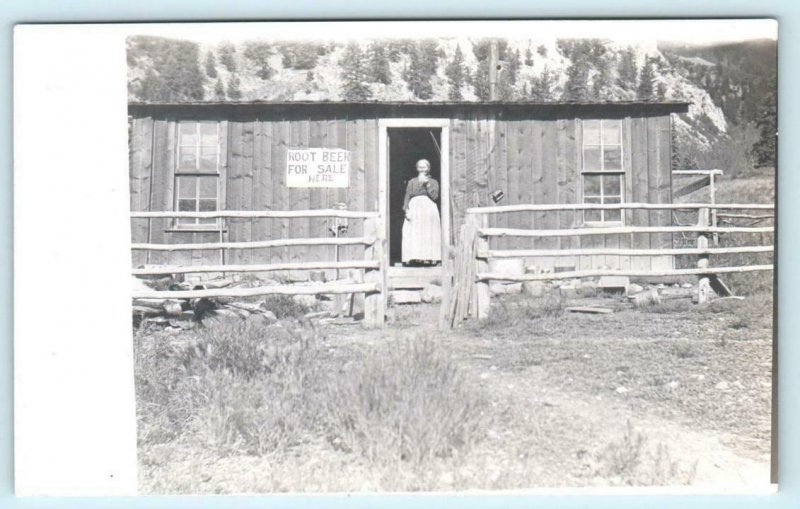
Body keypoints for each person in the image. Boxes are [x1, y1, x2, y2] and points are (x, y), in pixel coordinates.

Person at [401, 159, 442, 265]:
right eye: (420, 167)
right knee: (414, 232)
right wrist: (406, 209)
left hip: (428, 209)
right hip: (414, 208)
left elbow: (435, 196)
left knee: (428, 232)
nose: (422, 169)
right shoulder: (412, 182)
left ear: (428, 168)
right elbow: (407, 195)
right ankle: (415, 257)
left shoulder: (433, 182)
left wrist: (427, 184)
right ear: (417, 168)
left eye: (424, 167)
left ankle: (429, 257)